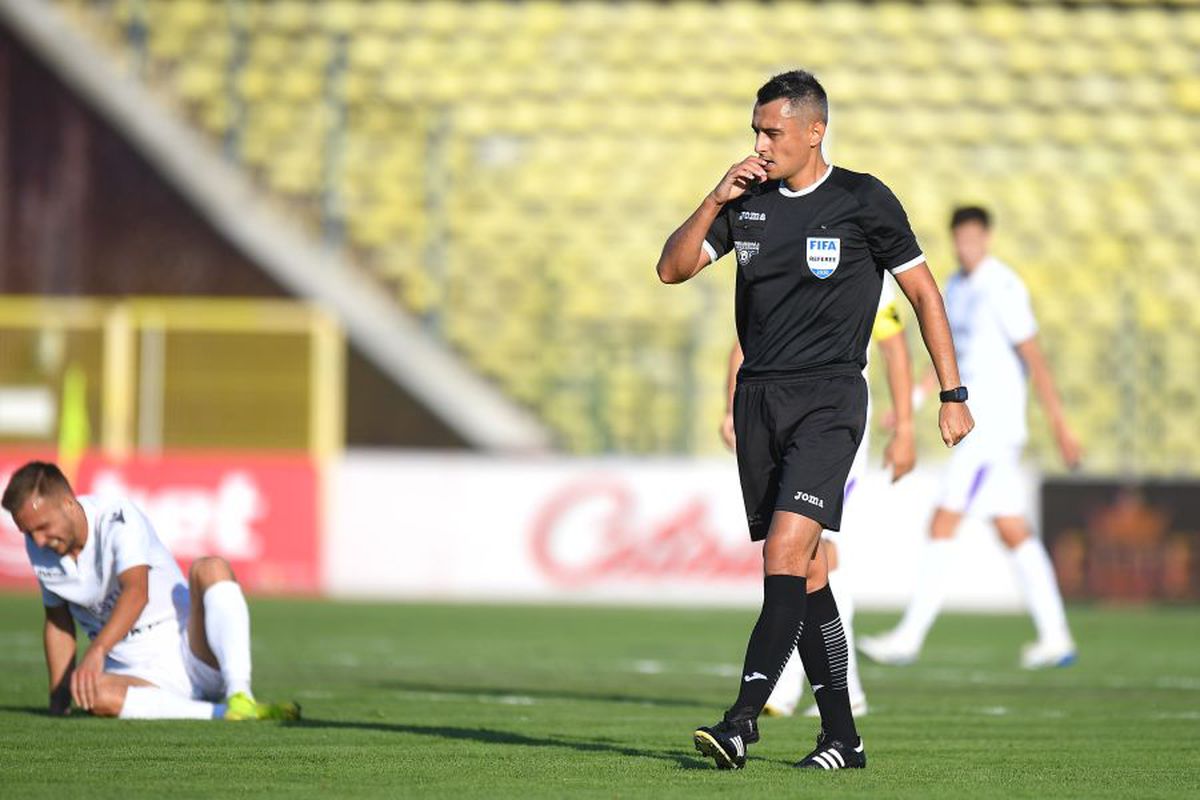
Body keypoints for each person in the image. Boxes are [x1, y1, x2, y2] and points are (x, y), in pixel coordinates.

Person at [656, 69, 973, 771]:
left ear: (814, 130)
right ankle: (843, 738)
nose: (761, 144)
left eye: (772, 131)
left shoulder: (863, 199)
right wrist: (714, 198)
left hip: (830, 401)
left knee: (784, 556)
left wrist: (952, 395)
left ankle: (742, 722)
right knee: (806, 575)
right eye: (755, 132)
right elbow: (671, 270)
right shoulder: (749, 203)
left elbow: (921, 291)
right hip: (759, 401)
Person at [858, 206, 1081, 670]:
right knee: (1012, 528)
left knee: (944, 521)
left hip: (990, 431)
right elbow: (943, 359)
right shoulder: (956, 288)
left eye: (974, 238)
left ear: (987, 237)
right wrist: (909, 406)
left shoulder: (1002, 287)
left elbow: (1034, 357)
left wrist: (1060, 425)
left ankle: (910, 637)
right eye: (960, 239)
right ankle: (1056, 636)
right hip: (982, 434)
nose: (966, 246)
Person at [720, 274, 917, 719]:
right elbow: (747, 336)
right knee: (801, 555)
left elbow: (894, 349)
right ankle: (826, 694)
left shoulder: (869, 273)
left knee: (815, 547)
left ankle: (802, 689)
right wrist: (730, 403)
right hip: (776, 422)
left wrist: (905, 429)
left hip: (833, 433)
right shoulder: (784, 246)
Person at [2, 460, 299, 720]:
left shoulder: (117, 517)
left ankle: (240, 695)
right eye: (28, 532)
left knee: (211, 567)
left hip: (191, 648)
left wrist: (97, 649)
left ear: (69, 502)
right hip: (136, 674)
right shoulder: (39, 547)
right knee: (93, 696)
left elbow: (136, 592)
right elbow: (57, 621)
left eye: (43, 527)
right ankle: (222, 714)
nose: (38, 541)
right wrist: (59, 699)